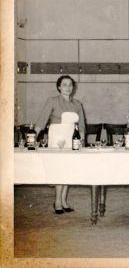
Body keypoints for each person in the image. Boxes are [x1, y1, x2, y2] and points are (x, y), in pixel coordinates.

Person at [35, 75, 86, 214]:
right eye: (64, 85)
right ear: (59, 87)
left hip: (72, 138)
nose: (68, 87)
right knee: (59, 169)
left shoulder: (78, 104)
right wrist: (33, 136)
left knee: (68, 169)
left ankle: (64, 200)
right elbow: (41, 120)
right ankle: (57, 201)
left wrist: (81, 139)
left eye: (70, 85)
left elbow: (81, 126)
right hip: (57, 138)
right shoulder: (52, 101)